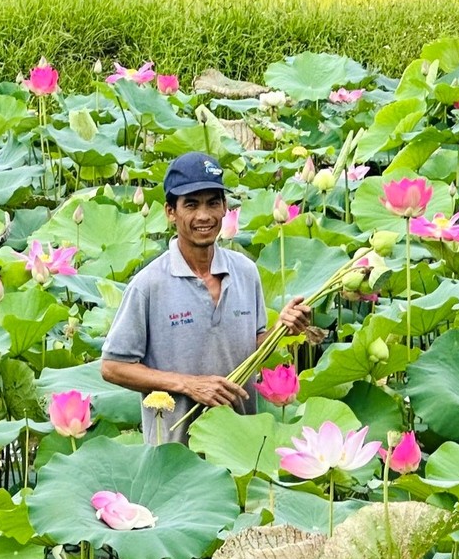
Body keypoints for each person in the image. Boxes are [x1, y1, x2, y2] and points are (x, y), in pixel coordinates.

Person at [101, 151, 314, 444]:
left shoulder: (245, 272)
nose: (204, 215)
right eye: (191, 204)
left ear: (225, 207)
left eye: (213, 203)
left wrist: (283, 329)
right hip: (175, 453)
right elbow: (112, 367)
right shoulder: (148, 285)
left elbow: (248, 345)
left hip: (241, 443)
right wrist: (188, 385)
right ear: (170, 212)